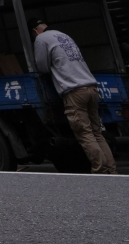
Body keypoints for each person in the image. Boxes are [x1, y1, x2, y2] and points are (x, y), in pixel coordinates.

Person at [32, 19, 117, 174]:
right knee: (97, 132)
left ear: (34, 31)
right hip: (91, 87)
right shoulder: (63, 35)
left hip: (74, 91)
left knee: (85, 134)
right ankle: (111, 170)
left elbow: (42, 66)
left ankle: (100, 171)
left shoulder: (41, 39)